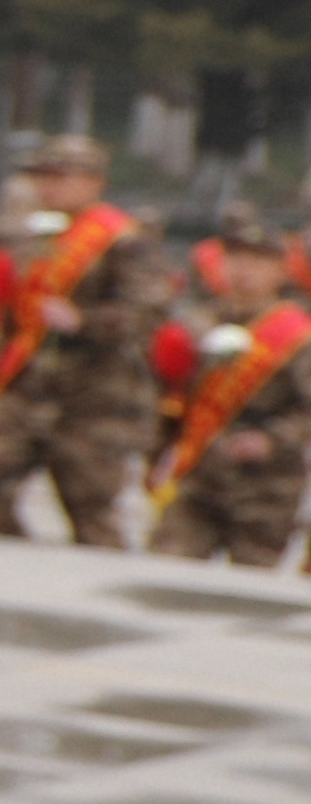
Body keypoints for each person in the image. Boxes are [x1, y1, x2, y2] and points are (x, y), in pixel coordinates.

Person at [0, 132, 165, 544]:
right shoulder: (31, 237)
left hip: (93, 394)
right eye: (43, 177)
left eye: (61, 176)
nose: (48, 186)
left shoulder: (122, 240)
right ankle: (12, 572)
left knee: (92, 511)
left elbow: (147, 312)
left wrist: (85, 321)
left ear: (94, 182)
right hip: (29, 386)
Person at [152, 218, 310, 569]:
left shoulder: (297, 337)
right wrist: (158, 452)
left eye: (257, 261)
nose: (244, 270)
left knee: (245, 591)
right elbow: (174, 396)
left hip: (265, 487)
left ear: (280, 271)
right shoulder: (199, 324)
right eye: (235, 258)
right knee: (167, 570)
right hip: (199, 476)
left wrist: (272, 439)